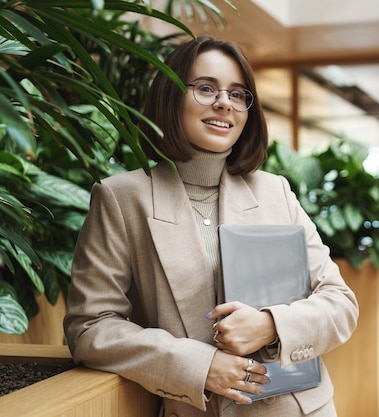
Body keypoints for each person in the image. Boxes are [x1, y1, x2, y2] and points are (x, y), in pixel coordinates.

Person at [63, 35, 359, 417]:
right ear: (171, 96)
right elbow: (91, 327)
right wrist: (197, 365)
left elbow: (340, 302)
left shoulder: (275, 192)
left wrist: (272, 324)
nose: (224, 102)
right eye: (205, 88)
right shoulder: (122, 198)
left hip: (298, 408)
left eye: (238, 94)